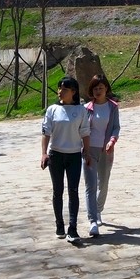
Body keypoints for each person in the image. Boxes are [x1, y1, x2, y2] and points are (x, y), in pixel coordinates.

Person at [41, 76, 91, 244]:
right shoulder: (52, 109)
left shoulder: (81, 110)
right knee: (57, 191)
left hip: (74, 155)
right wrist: (44, 153)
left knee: (73, 191)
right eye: (59, 88)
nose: (60, 91)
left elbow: (85, 133)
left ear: (73, 92)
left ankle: (73, 227)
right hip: (56, 155)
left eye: (64, 89)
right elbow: (46, 133)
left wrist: (88, 152)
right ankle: (59, 225)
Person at [83, 74, 120, 237]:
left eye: (101, 88)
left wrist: (112, 141)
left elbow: (116, 127)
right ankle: (92, 219)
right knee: (90, 186)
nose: (98, 91)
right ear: (91, 90)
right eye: (95, 88)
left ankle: (98, 210)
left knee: (103, 182)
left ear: (106, 89)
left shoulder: (113, 107)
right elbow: (82, 129)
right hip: (89, 149)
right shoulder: (86, 108)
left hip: (106, 150)